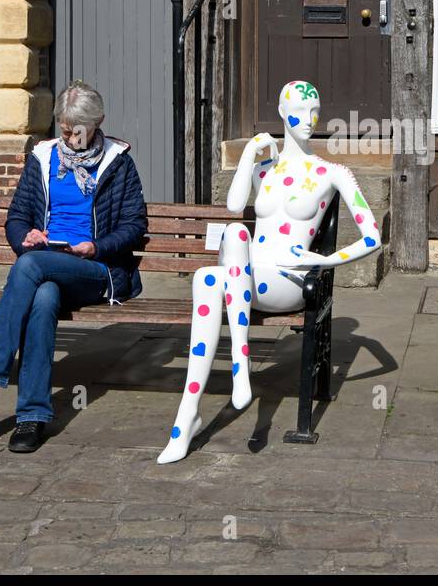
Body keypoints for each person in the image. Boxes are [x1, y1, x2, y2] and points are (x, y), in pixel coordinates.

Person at [157, 79, 383, 464]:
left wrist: (325, 261)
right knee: (210, 272)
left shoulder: (331, 172)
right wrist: (248, 155)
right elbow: (232, 207)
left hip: (288, 280)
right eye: (298, 111)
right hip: (245, 279)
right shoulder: (266, 169)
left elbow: (372, 237)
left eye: (314, 111)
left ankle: (239, 369)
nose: (308, 120)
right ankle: (189, 416)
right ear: (282, 113)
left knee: (221, 262)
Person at [0, 82, 147, 453]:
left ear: (98, 123)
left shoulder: (119, 162)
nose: (71, 136)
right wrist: (26, 237)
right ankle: (31, 418)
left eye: (78, 130)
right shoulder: (42, 158)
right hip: (45, 263)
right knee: (43, 298)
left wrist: (96, 245)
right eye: (65, 129)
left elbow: (134, 225)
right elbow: (17, 216)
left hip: (95, 269)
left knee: (30, 268)